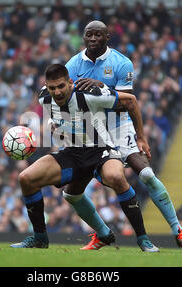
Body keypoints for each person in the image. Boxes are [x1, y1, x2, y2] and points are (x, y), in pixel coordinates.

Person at [63, 20, 182, 249]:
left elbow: (126, 104)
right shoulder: (73, 65)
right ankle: (103, 233)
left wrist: (140, 136)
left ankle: (179, 230)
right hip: (91, 133)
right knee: (71, 194)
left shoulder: (121, 63)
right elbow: (68, 102)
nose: (93, 38)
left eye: (98, 35)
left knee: (145, 173)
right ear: (84, 37)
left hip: (118, 127)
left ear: (108, 37)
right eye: (89, 35)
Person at [10, 64, 159, 252]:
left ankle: (143, 239)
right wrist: (56, 126)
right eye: (52, 88)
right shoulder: (44, 98)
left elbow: (130, 100)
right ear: (46, 87)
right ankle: (40, 238)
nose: (57, 92)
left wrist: (141, 137)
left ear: (70, 83)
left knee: (115, 177)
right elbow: (59, 117)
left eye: (61, 86)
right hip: (72, 153)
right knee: (26, 178)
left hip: (101, 151)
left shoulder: (89, 94)